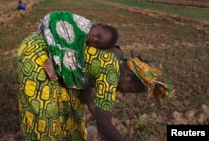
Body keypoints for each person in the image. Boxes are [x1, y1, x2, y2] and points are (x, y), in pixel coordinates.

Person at [17, 11, 174, 141]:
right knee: (45, 113)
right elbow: (104, 125)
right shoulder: (111, 75)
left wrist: (96, 112)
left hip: (55, 56)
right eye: (130, 89)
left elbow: (87, 96)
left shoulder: (117, 54)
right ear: (127, 75)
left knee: (71, 107)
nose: (125, 93)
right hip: (38, 53)